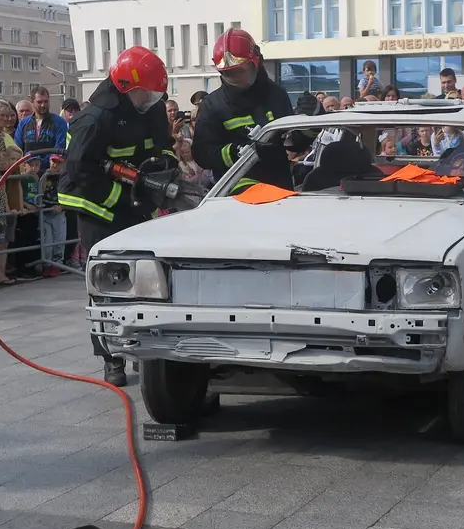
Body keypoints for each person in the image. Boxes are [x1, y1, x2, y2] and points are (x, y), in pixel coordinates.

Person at [59, 45, 176, 387]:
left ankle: (144, 349)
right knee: (108, 286)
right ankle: (111, 359)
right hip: (98, 208)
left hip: (135, 203)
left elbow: (161, 146)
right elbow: (81, 170)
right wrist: (120, 198)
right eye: (147, 92)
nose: (153, 99)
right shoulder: (95, 118)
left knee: (147, 282)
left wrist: (162, 171)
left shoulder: (148, 108)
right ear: (127, 86)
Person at [191, 29, 294, 194]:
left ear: (256, 61)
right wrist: (235, 152)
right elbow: (202, 153)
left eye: (239, 71)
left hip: (280, 187)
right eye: (227, 73)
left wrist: (308, 127)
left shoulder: (277, 95)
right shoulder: (213, 105)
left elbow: (293, 143)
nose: (234, 78)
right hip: (237, 191)